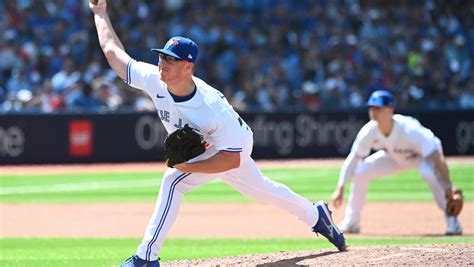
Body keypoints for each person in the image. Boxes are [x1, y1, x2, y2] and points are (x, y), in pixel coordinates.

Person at [89, 1, 346, 266]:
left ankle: (145, 257)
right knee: (263, 190)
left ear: (188, 68)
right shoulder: (154, 78)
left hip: (234, 146)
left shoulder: (210, 108)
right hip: (213, 146)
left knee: (174, 181)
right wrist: (100, 13)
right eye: (162, 56)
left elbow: (230, 160)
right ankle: (317, 216)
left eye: (170, 59)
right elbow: (112, 52)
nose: (162, 63)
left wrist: (186, 166)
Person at [331, 90, 463, 235]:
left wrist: (448, 187)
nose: (374, 112)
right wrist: (341, 187)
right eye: (372, 108)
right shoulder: (369, 131)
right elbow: (354, 158)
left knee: (427, 173)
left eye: (378, 108)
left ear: (390, 110)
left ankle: (453, 222)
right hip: (395, 157)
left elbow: (437, 158)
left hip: (423, 157)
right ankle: (352, 222)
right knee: (362, 171)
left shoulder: (410, 129)